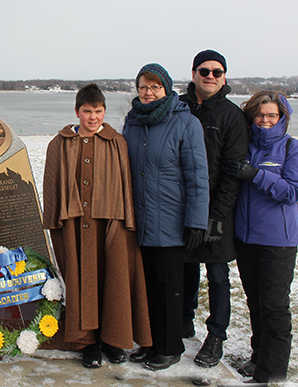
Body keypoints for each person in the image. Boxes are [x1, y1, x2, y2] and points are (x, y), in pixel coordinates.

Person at [42, 83, 152, 369]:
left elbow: (126, 182)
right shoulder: (60, 144)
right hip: (76, 224)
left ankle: (113, 339)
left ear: (104, 111)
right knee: (82, 282)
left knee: (113, 280)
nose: (93, 117)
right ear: (77, 111)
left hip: (111, 221)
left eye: (99, 111)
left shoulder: (117, 142)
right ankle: (88, 342)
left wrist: (128, 219)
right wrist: (55, 221)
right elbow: (52, 185)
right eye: (87, 111)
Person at [121, 64, 209, 371]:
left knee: (168, 287)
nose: (148, 93)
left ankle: (170, 347)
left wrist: (196, 220)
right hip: (139, 220)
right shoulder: (132, 122)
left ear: (167, 89)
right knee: (146, 287)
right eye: (143, 87)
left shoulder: (185, 123)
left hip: (171, 220)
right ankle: (150, 342)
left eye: (155, 87)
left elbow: (198, 176)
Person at [225, 91, 298, 384]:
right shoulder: (245, 146)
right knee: (256, 302)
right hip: (247, 239)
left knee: (274, 306)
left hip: (278, 242)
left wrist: (256, 175)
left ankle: (272, 373)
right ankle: (258, 355)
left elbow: (293, 191)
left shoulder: (291, 148)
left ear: (282, 117)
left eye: (271, 115)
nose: (265, 120)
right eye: (260, 115)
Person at [182, 50, 249, 368]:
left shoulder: (231, 116)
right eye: (204, 71)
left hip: (216, 211)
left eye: (217, 72)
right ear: (194, 73)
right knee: (184, 269)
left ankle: (216, 336)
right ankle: (183, 323)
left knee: (218, 274)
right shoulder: (179, 108)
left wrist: (215, 215)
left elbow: (234, 170)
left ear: (224, 77)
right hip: (180, 207)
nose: (210, 76)